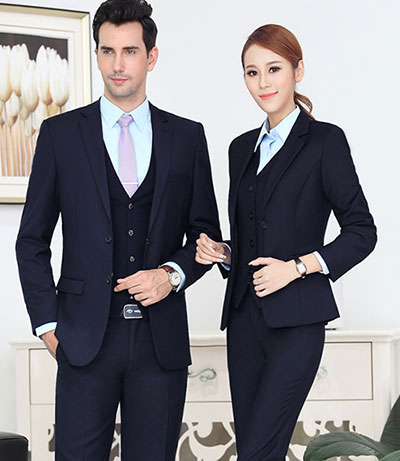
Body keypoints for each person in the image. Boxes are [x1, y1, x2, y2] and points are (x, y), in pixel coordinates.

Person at [15, 0, 221, 459]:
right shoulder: (60, 135)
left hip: (160, 342)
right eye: (107, 51)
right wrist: (48, 326)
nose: (117, 64)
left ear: (151, 56)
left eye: (130, 51)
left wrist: (170, 275)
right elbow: (31, 240)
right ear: (97, 55)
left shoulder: (187, 137)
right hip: (83, 338)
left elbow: (206, 236)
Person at [196, 24, 377, 461]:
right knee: (257, 451)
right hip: (243, 322)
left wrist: (297, 267)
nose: (263, 82)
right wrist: (225, 253)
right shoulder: (240, 148)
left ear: (298, 70)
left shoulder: (325, 142)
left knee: (258, 453)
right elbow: (255, 232)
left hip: (296, 325)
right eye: (252, 72)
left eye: (274, 69)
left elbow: (362, 231)